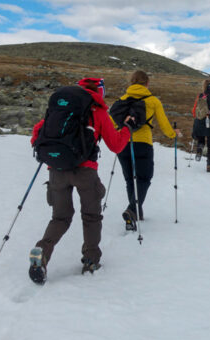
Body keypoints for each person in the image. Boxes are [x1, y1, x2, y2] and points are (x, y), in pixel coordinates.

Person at [28, 78, 132, 284]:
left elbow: (37, 134)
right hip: (85, 171)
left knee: (60, 218)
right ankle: (91, 260)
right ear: (99, 92)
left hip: (57, 170)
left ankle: (42, 250)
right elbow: (116, 145)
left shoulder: (59, 108)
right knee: (91, 216)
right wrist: (128, 129)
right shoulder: (99, 112)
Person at [117, 70, 182, 230]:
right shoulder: (153, 101)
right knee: (144, 178)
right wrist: (174, 134)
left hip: (123, 142)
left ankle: (135, 211)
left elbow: (112, 122)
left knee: (129, 179)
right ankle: (132, 210)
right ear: (147, 83)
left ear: (131, 82)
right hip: (143, 143)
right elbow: (164, 124)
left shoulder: (122, 100)